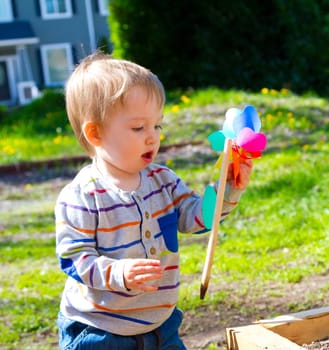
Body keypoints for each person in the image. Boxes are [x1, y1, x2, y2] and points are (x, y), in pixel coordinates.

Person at [55, 52, 253, 349]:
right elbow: (74, 258)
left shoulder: (163, 180)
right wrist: (119, 273)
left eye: (157, 126)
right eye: (138, 128)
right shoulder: (82, 195)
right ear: (95, 133)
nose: (152, 137)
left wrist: (227, 188)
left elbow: (195, 216)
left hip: (162, 326)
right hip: (101, 331)